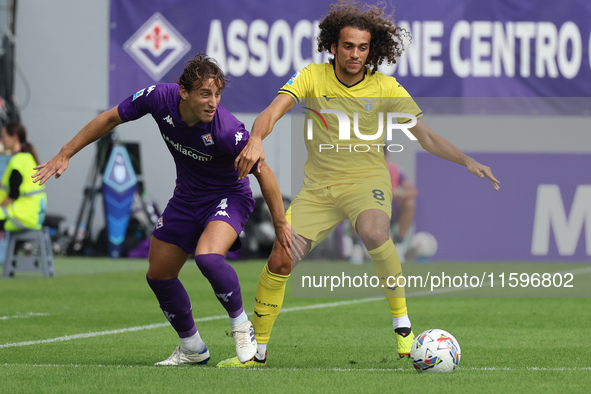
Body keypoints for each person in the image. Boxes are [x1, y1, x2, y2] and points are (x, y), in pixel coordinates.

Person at [218, 0, 500, 368]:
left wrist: (467, 161)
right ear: (333, 46)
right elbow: (271, 113)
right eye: (348, 46)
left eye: (363, 47)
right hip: (318, 189)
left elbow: (425, 136)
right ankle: (255, 354)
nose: (355, 54)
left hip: (366, 182)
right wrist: (256, 139)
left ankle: (403, 326)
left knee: (373, 230)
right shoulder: (311, 77)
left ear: (372, 49)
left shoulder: (385, 87)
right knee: (280, 259)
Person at [32, 53, 300, 366]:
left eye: (217, 94)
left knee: (208, 258)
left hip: (229, 196)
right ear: (183, 92)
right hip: (186, 198)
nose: (213, 102)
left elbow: (263, 171)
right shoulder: (159, 98)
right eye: (205, 94)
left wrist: (281, 225)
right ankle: (192, 348)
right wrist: (65, 153)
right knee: (159, 275)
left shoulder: (226, 130)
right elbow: (110, 118)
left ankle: (241, 326)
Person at [0, 122, 47, 232]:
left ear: (14, 137)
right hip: (32, 215)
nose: (2, 140)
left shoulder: (18, 161)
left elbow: (13, 194)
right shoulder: (28, 158)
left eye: (4, 136)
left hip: (22, 215)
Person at [387, 152, 418, 263]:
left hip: (392, 208)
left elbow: (413, 191)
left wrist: (399, 194)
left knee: (410, 202)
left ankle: (399, 244)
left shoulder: (395, 169)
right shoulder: (367, 169)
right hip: (372, 207)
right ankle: (356, 247)